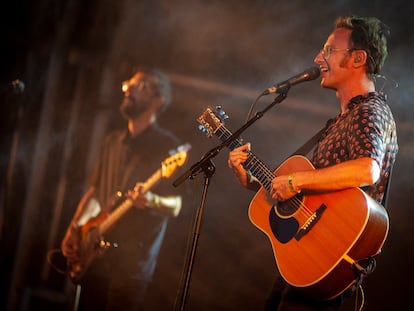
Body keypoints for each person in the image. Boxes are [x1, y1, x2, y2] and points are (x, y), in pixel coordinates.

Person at [227, 15, 398, 310]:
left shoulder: (370, 111)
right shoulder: (342, 120)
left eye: (329, 50)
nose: (318, 58)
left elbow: (367, 168)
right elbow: (309, 197)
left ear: (358, 58)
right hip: (308, 260)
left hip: (329, 259)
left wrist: (295, 180)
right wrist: (252, 181)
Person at [61, 67, 184, 310]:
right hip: (94, 257)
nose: (129, 89)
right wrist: (75, 228)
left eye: (142, 85)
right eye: (130, 83)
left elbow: (178, 205)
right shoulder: (112, 141)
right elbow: (97, 193)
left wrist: (151, 201)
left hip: (130, 266)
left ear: (158, 102)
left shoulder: (168, 146)